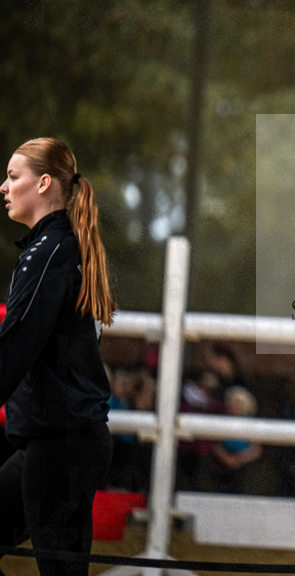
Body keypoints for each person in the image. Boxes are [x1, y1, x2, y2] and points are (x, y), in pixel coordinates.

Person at [0, 137, 116, 576]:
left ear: (44, 183)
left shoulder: (50, 252)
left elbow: (16, 345)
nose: (3, 187)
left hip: (62, 445)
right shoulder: (53, 249)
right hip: (55, 441)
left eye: (13, 177)